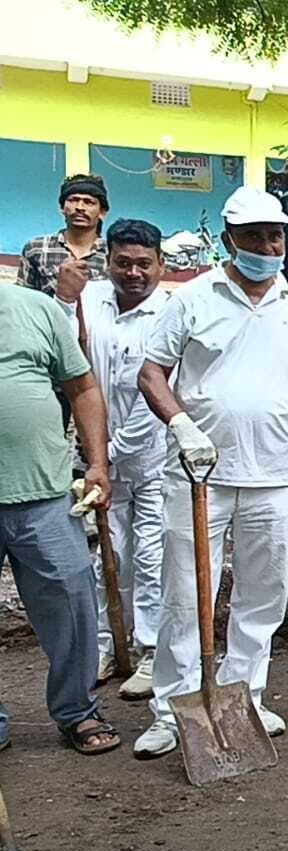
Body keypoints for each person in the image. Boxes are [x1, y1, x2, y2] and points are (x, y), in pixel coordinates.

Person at [132, 186, 288, 759]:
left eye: (274, 236)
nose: (267, 246)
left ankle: (246, 694)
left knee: (263, 593)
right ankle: (172, 711)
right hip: (200, 475)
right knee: (187, 594)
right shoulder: (194, 298)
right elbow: (152, 373)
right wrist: (181, 427)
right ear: (230, 241)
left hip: (271, 473)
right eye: (253, 237)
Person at [0, 279, 121, 755]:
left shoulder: (37, 310)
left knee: (72, 607)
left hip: (44, 493)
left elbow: (83, 388)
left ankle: (77, 711)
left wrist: (97, 464)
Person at [77, 219, 173, 701]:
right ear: (108, 261)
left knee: (152, 556)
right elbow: (77, 372)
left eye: (143, 264)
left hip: (153, 461)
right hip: (101, 459)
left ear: (160, 264)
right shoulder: (90, 301)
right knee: (109, 556)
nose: (133, 273)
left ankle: (153, 650)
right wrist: (97, 456)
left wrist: (105, 456)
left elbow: (149, 400)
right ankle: (109, 646)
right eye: (123, 263)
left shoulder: (169, 313)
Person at [18, 174, 110, 299]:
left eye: (88, 202)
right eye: (73, 200)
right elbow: (23, 299)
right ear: (62, 208)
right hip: (49, 318)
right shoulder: (36, 248)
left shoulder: (112, 252)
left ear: (102, 212)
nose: (79, 207)